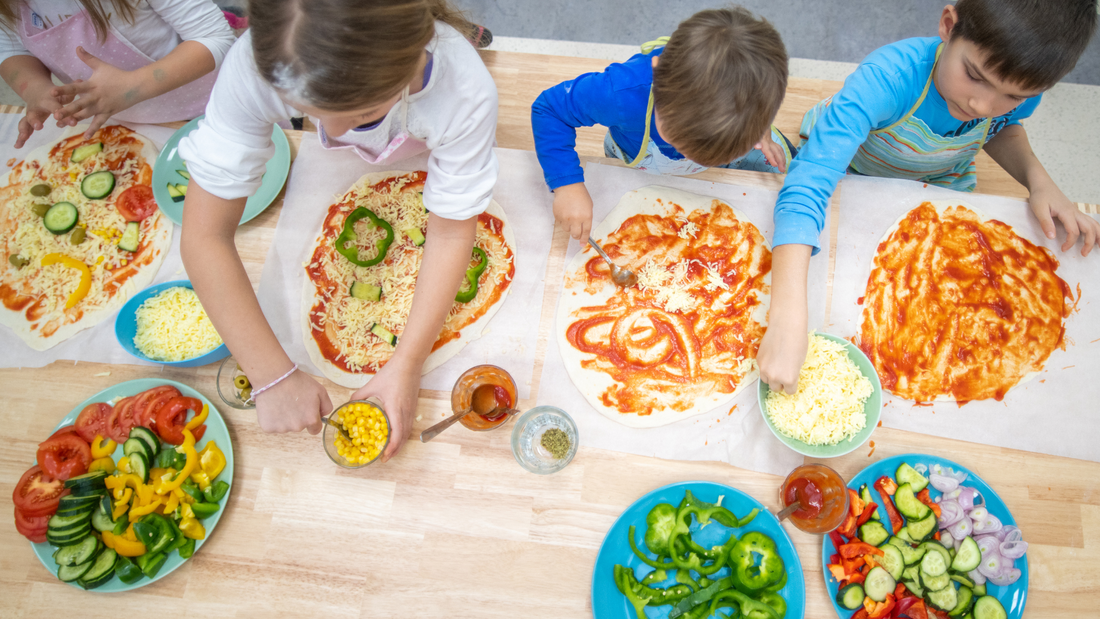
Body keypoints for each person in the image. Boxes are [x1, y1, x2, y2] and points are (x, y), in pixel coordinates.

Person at [178, 0, 498, 462]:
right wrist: (271, 375)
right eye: (303, 111)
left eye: (364, 114)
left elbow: (449, 233)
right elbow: (204, 236)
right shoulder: (257, 63)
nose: (331, 132)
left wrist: (407, 364)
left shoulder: (463, 90)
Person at [757, 0, 1100, 396]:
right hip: (851, 172)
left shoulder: (1018, 90)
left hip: (938, 182)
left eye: (1012, 96)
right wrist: (786, 319)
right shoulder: (886, 80)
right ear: (949, 25)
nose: (981, 106)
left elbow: (1001, 127)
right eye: (974, 76)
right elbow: (809, 185)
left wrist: (1039, 181)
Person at [531, 6, 791, 241]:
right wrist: (567, 185)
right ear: (657, 73)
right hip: (638, 153)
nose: (688, 155)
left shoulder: (754, 95)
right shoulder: (619, 93)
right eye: (677, 139)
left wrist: (761, 132)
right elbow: (549, 109)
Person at [0, 0, 235, 147]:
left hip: (212, 108)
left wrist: (132, 87)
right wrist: (34, 87)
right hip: (125, 122)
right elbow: (10, 47)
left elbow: (214, 38)